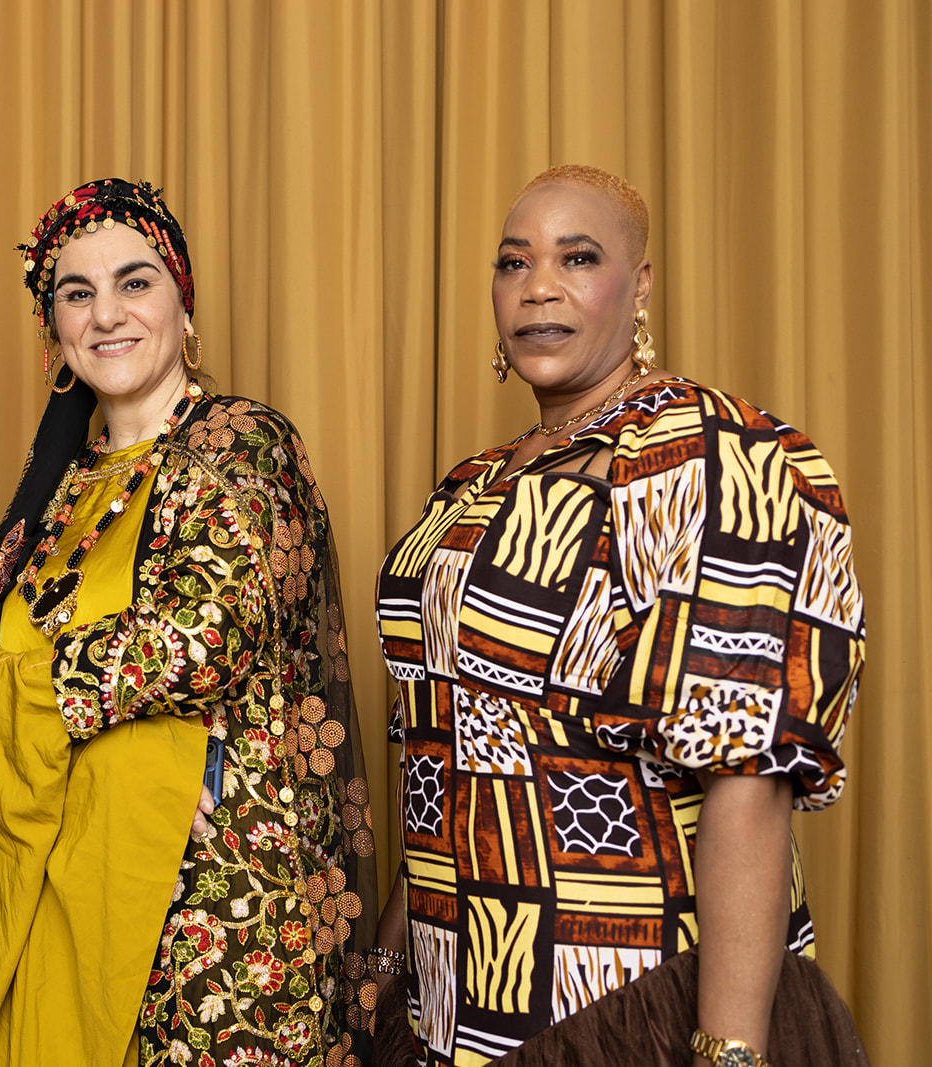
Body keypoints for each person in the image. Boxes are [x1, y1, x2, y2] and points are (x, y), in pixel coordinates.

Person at [370, 164, 866, 1067]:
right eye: (514, 262)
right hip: (457, 1006)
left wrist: (727, 1052)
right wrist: (386, 970)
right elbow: (441, 743)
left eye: (577, 257)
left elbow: (749, 775)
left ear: (640, 285)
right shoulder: (475, 483)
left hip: (625, 1000)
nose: (538, 287)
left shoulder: (709, 452)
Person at [0, 178, 377, 1067]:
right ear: (54, 330)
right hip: (86, 893)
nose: (107, 314)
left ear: (184, 307)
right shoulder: (63, 491)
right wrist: (77, 727)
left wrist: (24, 699)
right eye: (76, 293)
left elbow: (202, 638)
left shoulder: (241, 441)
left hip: (224, 915)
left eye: (134, 281)